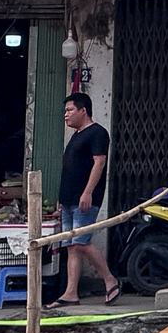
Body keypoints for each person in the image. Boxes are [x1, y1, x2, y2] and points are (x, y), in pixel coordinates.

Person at [54, 92, 120, 306]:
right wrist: (62, 198)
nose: (66, 115)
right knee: (71, 246)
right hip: (68, 198)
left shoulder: (97, 133)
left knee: (81, 242)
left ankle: (110, 280)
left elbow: (99, 163)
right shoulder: (76, 134)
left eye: (70, 110)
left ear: (83, 110)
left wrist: (88, 192)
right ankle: (71, 292)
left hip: (84, 198)